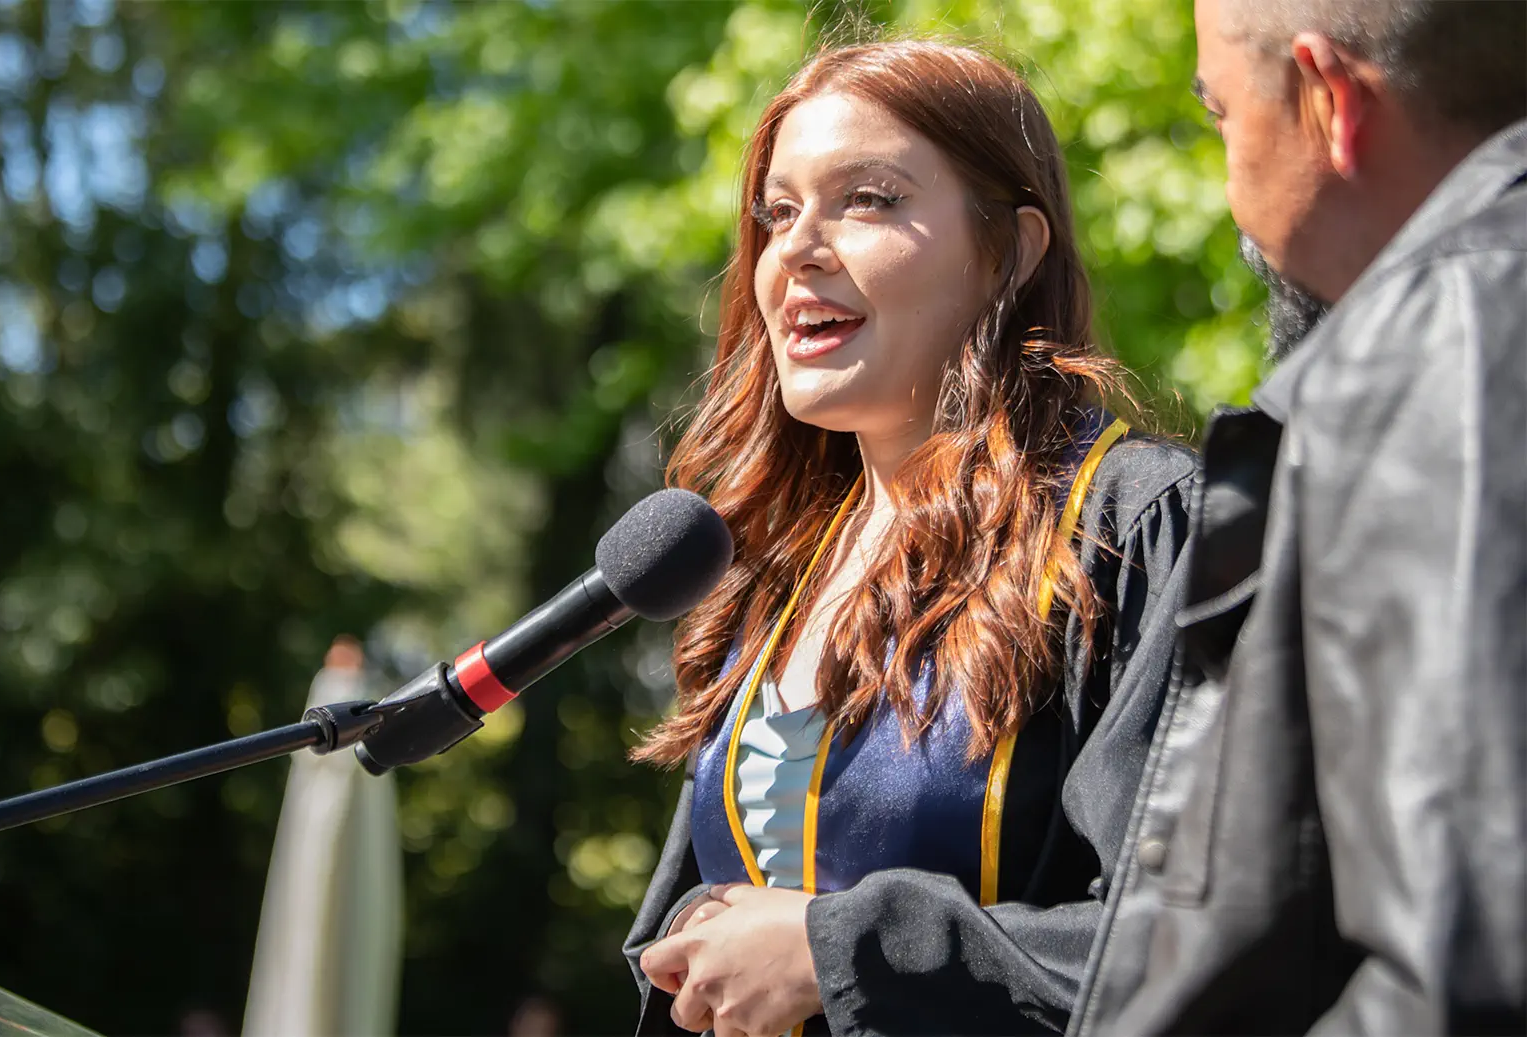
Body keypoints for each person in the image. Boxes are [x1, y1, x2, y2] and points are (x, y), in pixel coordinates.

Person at [623, 41, 1198, 1037]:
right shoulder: (778, 566)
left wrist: (841, 949)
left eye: (869, 199)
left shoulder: (1131, 527)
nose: (798, 247)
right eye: (776, 212)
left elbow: (1201, 939)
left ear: (1008, 253)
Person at [1068, 2, 1527, 1034]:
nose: (1225, 184)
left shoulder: (1454, 330)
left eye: (1223, 116)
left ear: (1327, 100)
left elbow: (1465, 957)